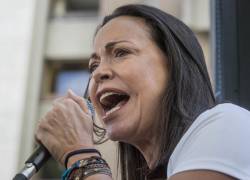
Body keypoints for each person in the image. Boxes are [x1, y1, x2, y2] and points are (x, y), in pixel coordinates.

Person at [35, 4, 250, 180]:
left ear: (174, 65)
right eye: (93, 66)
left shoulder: (226, 124)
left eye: (121, 52)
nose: (99, 72)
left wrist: (81, 156)